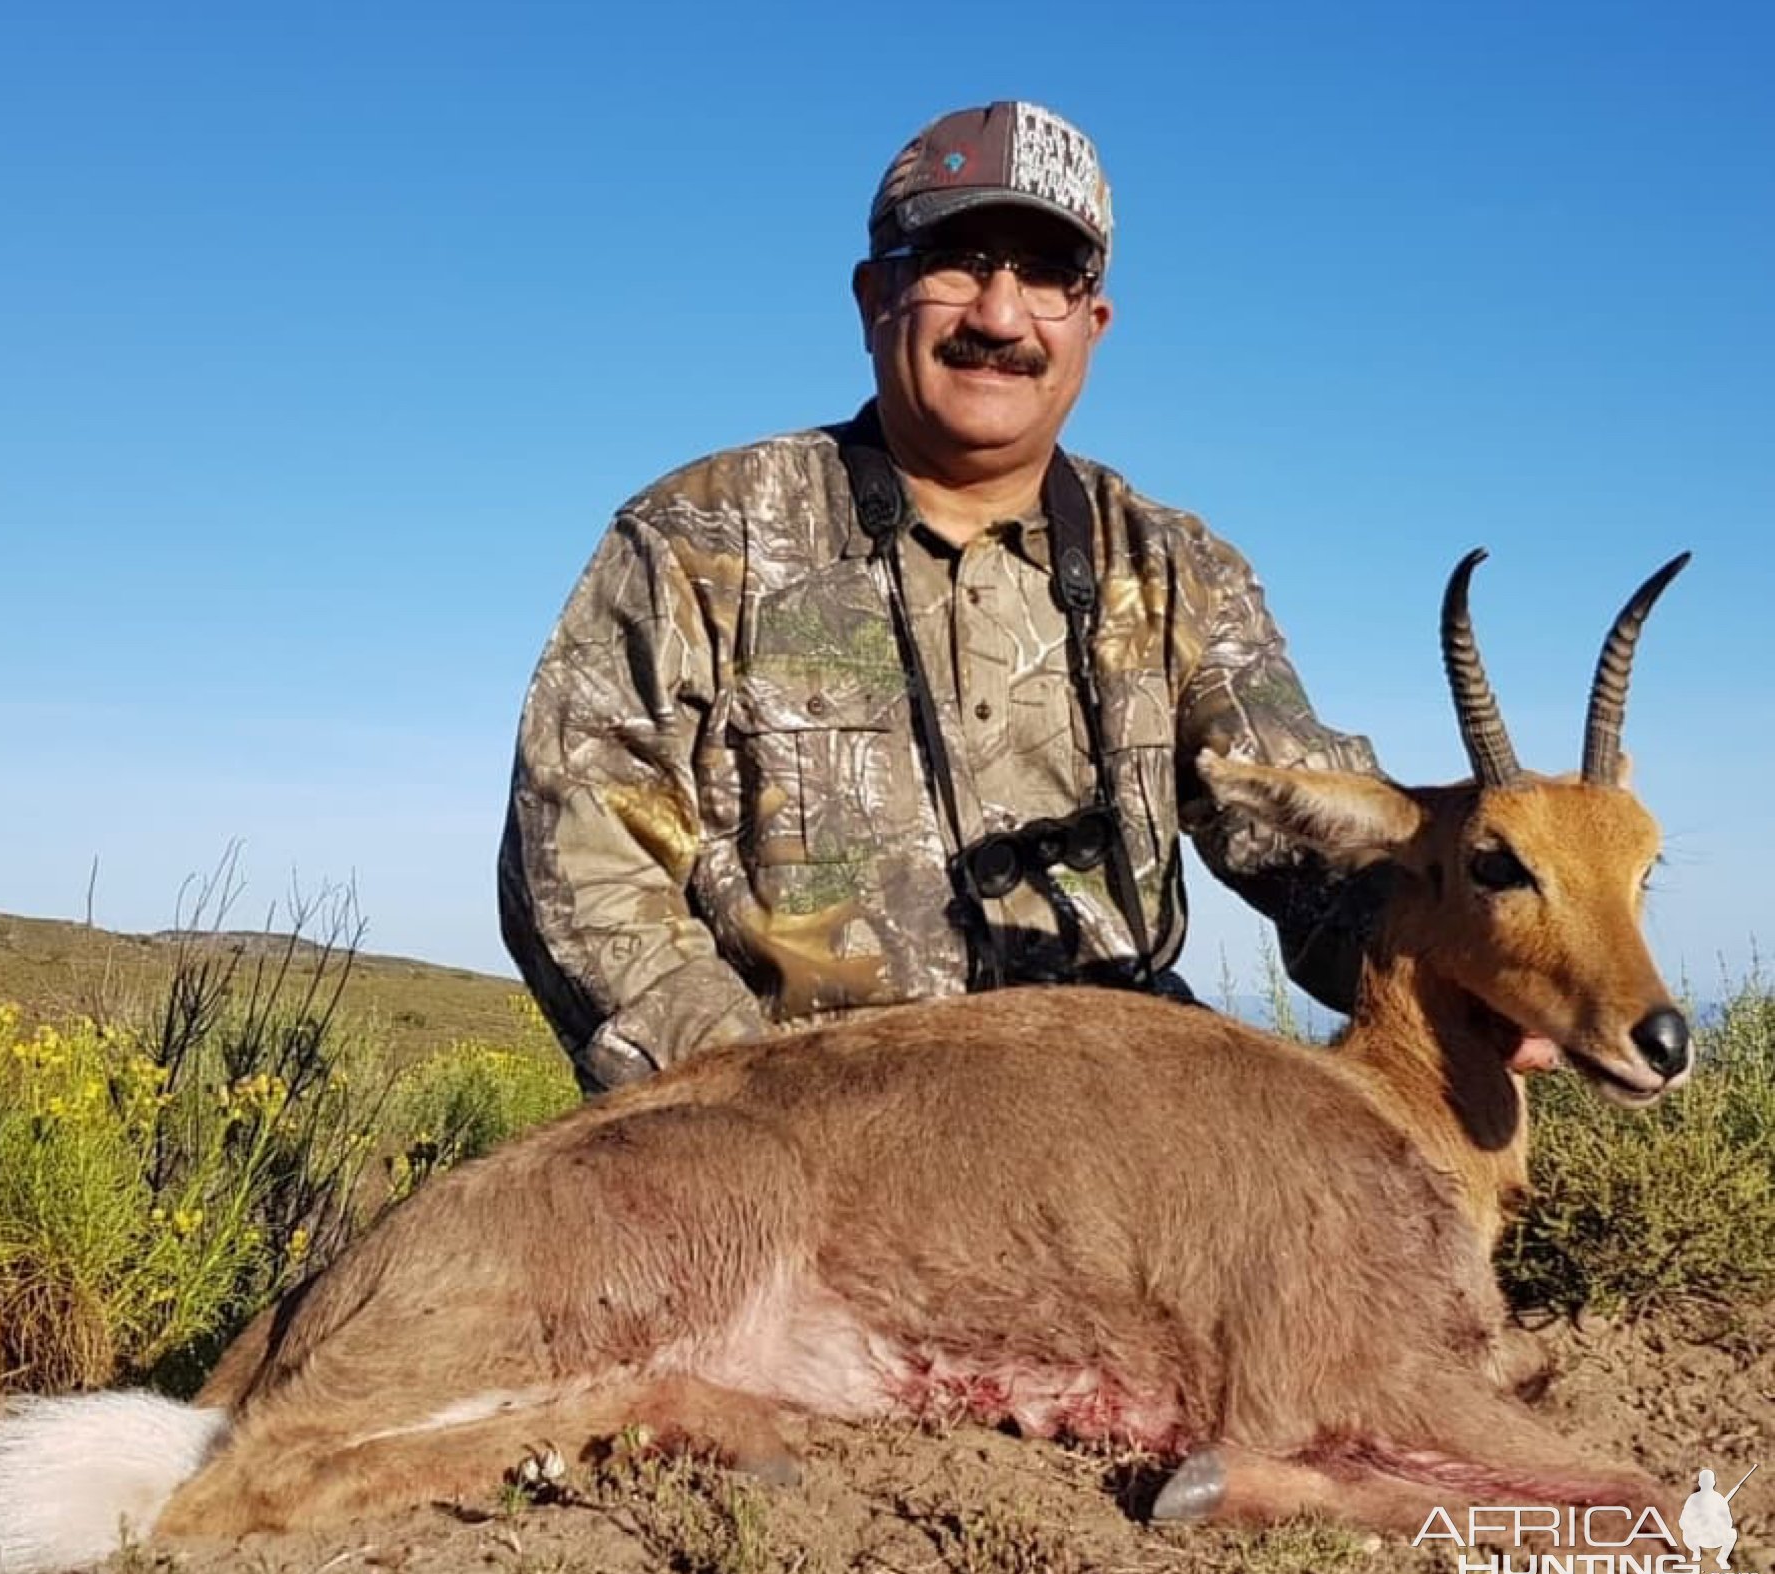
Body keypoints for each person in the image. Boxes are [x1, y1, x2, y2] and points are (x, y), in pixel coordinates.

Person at [500, 100, 1380, 1094]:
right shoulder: (701, 537)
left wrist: (1488, 940)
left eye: (1047, 274)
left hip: (1124, 1132)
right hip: (803, 1147)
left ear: (1093, 324)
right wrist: (756, 1111)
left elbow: (1315, 842)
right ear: (876, 296)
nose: (1000, 318)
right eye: (958, 261)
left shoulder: (1177, 571)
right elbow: (579, 856)